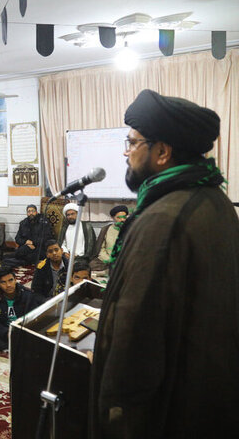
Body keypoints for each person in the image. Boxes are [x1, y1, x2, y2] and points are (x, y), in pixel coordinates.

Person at [90, 90, 239, 438]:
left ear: (162, 152)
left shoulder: (162, 220)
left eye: (132, 142)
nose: (127, 153)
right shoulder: (213, 199)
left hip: (169, 410)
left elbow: (136, 337)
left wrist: (116, 416)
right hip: (209, 394)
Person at [0, 267, 43, 352]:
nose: (8, 285)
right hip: (4, 331)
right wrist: (6, 333)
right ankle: (21, 345)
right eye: (3, 282)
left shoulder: (27, 295)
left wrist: (20, 331)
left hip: (22, 330)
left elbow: (34, 317)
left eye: (10, 280)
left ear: (15, 280)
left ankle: (17, 344)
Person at [90, 205, 128, 272]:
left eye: (124, 217)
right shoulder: (106, 229)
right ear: (113, 218)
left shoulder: (131, 229)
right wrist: (109, 259)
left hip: (126, 260)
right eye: (118, 218)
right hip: (108, 260)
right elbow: (101, 248)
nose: (122, 220)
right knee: (91, 265)